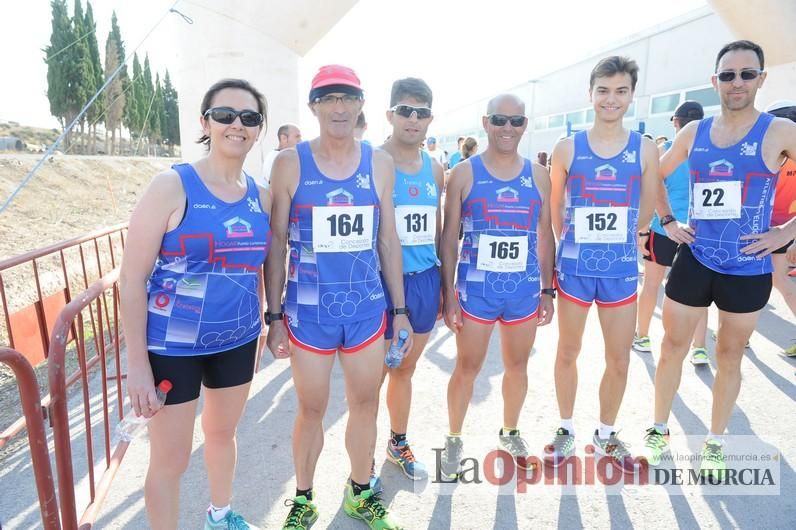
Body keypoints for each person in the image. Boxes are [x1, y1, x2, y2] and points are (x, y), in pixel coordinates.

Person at [120, 78, 271, 530]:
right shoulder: (172, 185)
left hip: (237, 339)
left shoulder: (261, 195)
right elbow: (131, 279)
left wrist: (262, 325)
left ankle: (220, 515)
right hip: (173, 345)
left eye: (249, 117)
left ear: (259, 129)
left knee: (222, 435)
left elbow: (257, 269)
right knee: (171, 459)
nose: (236, 125)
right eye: (225, 115)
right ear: (206, 122)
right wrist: (137, 365)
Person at [642, 40, 796, 478]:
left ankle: (714, 440)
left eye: (747, 74)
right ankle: (658, 429)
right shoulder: (694, 132)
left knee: (729, 357)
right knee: (672, 347)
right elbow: (656, 173)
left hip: (747, 265)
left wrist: (785, 233)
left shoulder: (780, 132)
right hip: (696, 256)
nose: (737, 82)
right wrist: (668, 220)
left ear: (761, 80)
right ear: (715, 82)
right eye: (728, 75)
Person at [266, 64, 407, 530]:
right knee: (311, 408)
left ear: (362, 104)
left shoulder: (379, 163)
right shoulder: (290, 163)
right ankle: (304, 499)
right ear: (313, 107)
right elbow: (276, 243)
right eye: (328, 98)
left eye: (348, 98)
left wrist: (401, 310)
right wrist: (275, 315)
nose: (339, 107)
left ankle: (359, 491)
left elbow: (388, 240)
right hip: (309, 313)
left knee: (366, 404)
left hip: (366, 309)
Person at [548, 56, 658, 473]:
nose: (611, 99)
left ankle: (606, 433)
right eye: (603, 90)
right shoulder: (567, 148)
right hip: (576, 268)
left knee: (619, 358)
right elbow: (555, 208)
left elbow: (644, 211)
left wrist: (625, 232)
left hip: (620, 271)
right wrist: (573, 243)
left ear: (631, 95)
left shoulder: (644, 148)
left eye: (621, 91)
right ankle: (564, 428)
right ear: (591, 94)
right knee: (568, 351)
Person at [439, 93, 555, 479]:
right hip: (476, 291)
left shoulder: (538, 175)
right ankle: (454, 438)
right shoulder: (465, 173)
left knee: (517, 366)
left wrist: (546, 290)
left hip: (522, 290)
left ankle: (510, 431)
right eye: (500, 120)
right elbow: (449, 237)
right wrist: (449, 293)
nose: (508, 128)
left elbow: (544, 234)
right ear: (486, 123)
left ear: (525, 125)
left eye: (516, 121)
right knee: (467, 367)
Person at [378, 77, 444, 481]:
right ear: (390, 115)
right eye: (405, 110)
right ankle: (360, 462)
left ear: (430, 119)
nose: (413, 119)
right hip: (381, 284)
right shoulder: (370, 160)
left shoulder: (435, 168)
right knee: (372, 379)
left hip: (424, 281)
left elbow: (434, 229)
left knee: (405, 370)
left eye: (421, 113)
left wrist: (442, 287)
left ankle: (397, 441)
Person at [633, 101, 710, 365]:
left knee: (651, 285)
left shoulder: (662, 152)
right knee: (700, 293)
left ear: (676, 123)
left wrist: (642, 233)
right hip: (697, 231)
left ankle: (642, 335)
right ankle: (699, 347)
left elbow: (648, 191)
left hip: (664, 227)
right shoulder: (708, 150)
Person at [765, 100, 796, 354]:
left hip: (770, 230)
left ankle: (737, 335)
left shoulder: (775, 155)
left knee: (773, 283)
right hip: (782, 230)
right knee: (781, 283)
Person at [260, 123, 301, 188]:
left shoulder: (285, 156)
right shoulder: (275, 158)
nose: (301, 140)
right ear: (284, 138)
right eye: (297, 137)